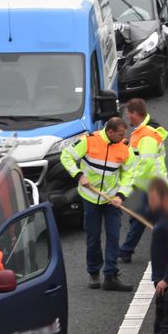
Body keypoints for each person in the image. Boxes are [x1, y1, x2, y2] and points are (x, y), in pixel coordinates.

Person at [60, 118, 135, 291]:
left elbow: (129, 174)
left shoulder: (125, 147)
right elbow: (66, 155)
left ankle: (110, 275)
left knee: (114, 236)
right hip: (90, 198)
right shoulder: (89, 141)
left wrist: (121, 195)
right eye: (121, 134)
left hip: (112, 200)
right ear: (110, 132)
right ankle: (94, 272)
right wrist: (79, 175)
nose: (125, 137)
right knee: (93, 237)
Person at [118, 98, 168, 263]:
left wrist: (130, 183)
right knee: (141, 219)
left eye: (128, 112)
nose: (126, 116)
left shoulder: (146, 135)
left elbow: (145, 163)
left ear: (134, 113)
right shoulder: (142, 131)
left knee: (144, 218)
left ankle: (127, 251)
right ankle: (127, 251)